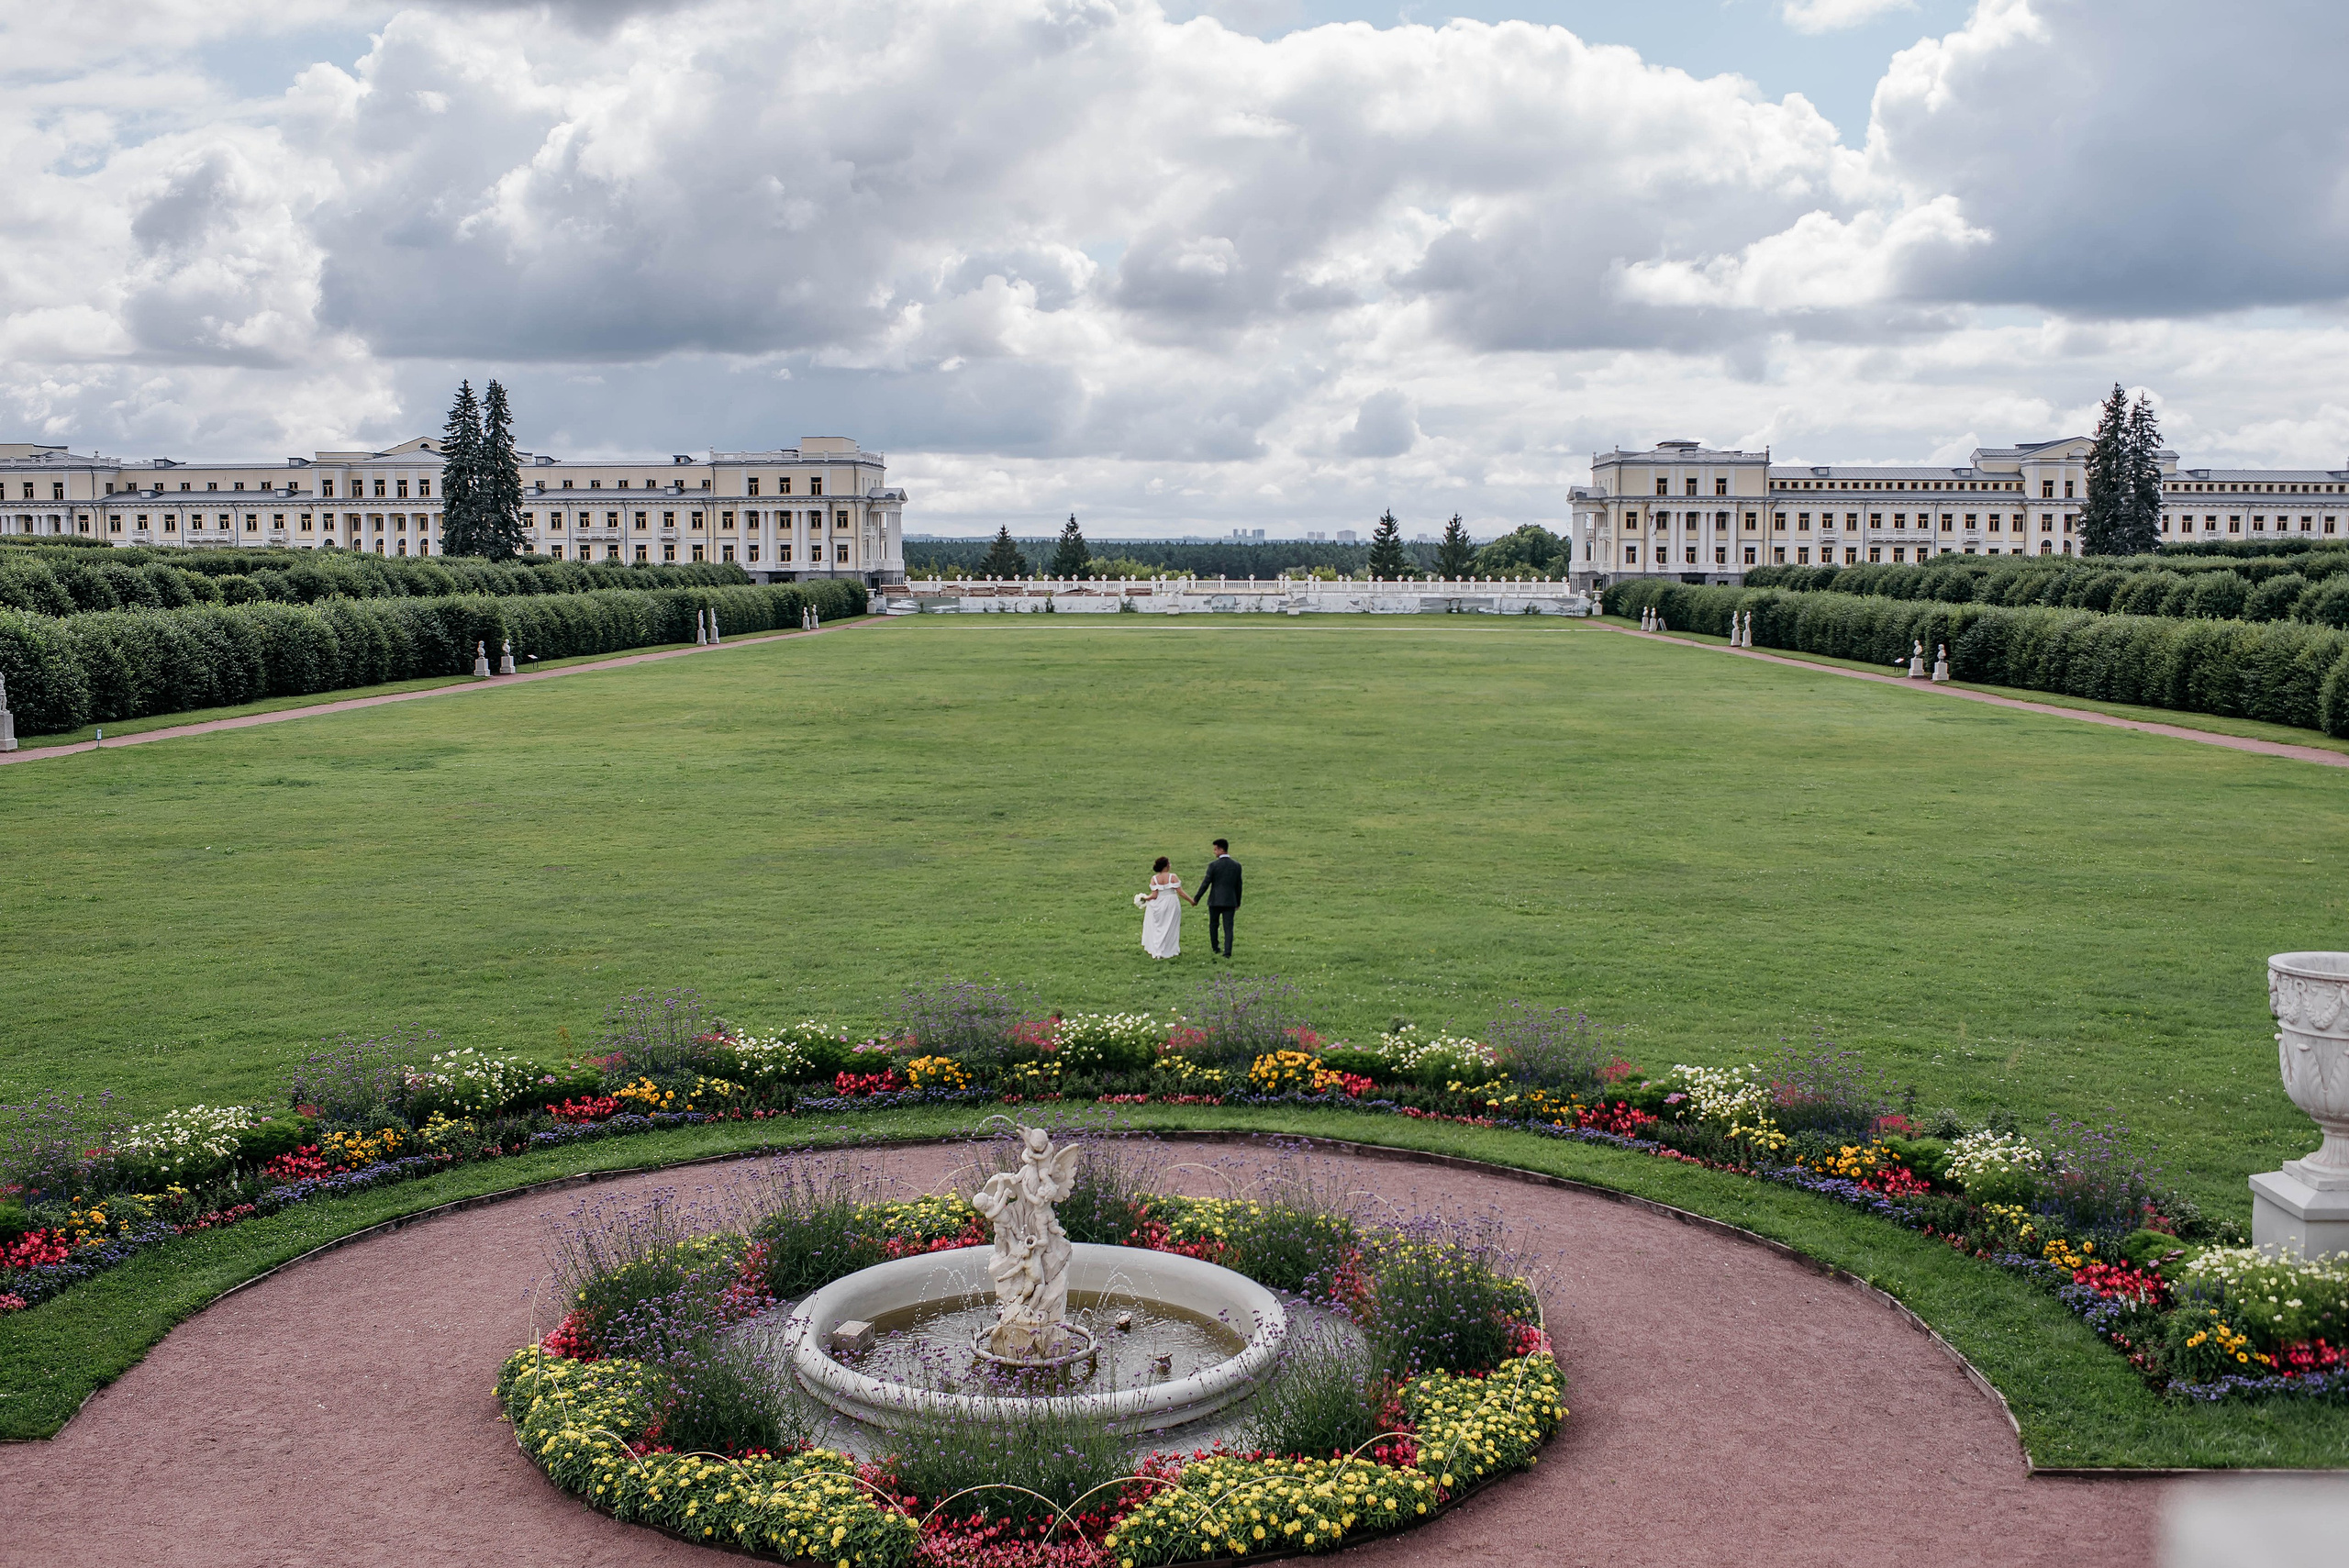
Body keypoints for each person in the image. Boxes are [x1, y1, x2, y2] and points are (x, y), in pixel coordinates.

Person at [1189, 839, 1241, 958]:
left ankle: (1215, 947)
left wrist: (1196, 899)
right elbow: (1239, 885)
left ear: (1221, 849)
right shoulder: (1236, 866)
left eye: (1215, 849)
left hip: (1215, 900)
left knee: (1214, 924)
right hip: (1230, 901)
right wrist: (1237, 901)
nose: (1214, 852)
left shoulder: (1213, 865)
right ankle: (1227, 952)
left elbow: (1206, 883)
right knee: (1228, 927)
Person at [1138, 854, 1183, 959]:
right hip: (1172, 903)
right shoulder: (1173, 877)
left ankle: (1158, 948)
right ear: (1166, 866)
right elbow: (1180, 892)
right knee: (1171, 927)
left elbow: (1154, 895)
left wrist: (1145, 898)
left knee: (1160, 927)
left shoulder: (1154, 879)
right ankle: (1170, 949)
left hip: (1159, 904)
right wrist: (1191, 901)